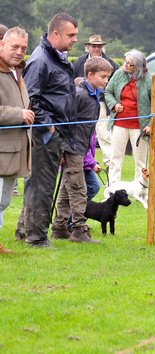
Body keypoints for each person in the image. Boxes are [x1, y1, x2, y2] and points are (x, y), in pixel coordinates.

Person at [13, 14, 78, 248]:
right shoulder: (41, 60)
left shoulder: (58, 59)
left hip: (56, 131)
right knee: (41, 184)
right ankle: (36, 237)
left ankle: (24, 231)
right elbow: (30, 99)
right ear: (56, 34)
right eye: (71, 35)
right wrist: (49, 126)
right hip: (44, 133)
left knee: (41, 183)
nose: (75, 40)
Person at [51, 57, 113, 243]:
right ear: (90, 75)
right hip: (72, 148)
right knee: (78, 189)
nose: (106, 80)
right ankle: (78, 229)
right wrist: (61, 148)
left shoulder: (94, 95)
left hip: (79, 148)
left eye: (108, 77)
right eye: (103, 76)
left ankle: (59, 227)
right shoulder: (79, 95)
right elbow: (63, 120)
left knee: (64, 190)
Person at [105, 49, 155, 184]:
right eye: (125, 61)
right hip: (119, 123)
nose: (125, 65)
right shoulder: (119, 74)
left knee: (140, 161)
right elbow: (108, 92)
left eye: (129, 64)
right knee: (115, 159)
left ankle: (140, 191)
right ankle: (111, 190)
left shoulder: (149, 79)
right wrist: (114, 105)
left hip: (140, 127)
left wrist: (151, 124)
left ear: (137, 66)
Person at [0, 26, 34, 254]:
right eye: (14, 47)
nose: (19, 52)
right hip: (2, 150)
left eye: (23, 48)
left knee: (3, 202)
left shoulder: (16, 72)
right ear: (2, 45)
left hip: (12, 151)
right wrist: (18, 114)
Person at [73, 35, 119, 171]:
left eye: (99, 46)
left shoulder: (110, 63)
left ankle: (109, 165)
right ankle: (82, 162)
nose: (96, 49)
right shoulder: (79, 62)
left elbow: (113, 86)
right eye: (94, 46)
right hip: (82, 103)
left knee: (104, 135)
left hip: (102, 104)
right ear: (89, 47)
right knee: (83, 133)